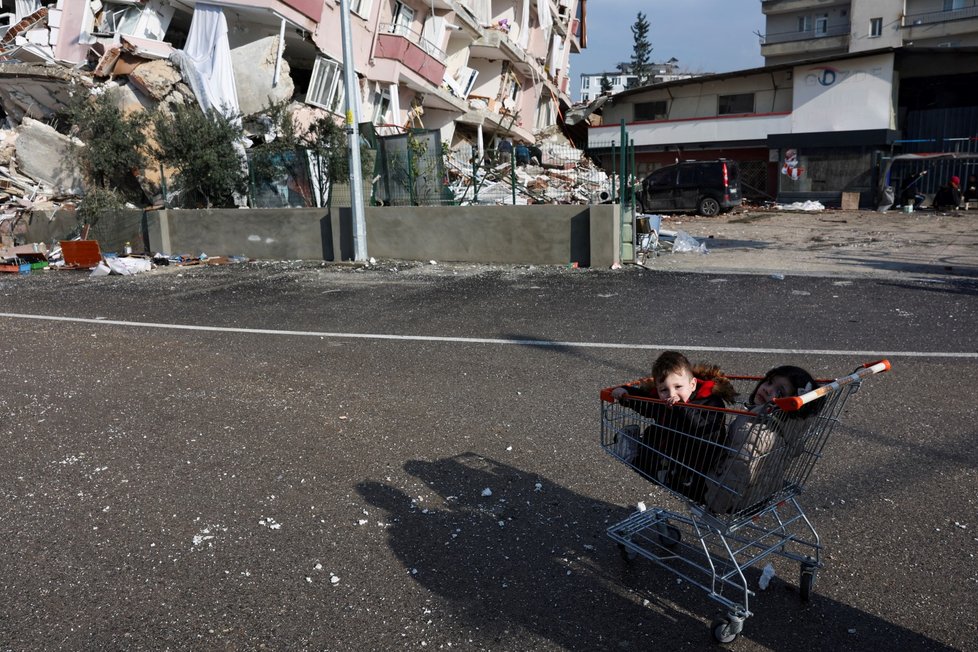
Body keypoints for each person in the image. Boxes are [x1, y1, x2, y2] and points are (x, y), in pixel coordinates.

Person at [611, 351, 735, 500]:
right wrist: (627, 393)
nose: (672, 394)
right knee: (653, 434)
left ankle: (633, 454)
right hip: (671, 458)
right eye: (664, 390)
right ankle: (637, 454)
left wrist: (682, 407)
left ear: (692, 384)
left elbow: (706, 433)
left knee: (687, 485)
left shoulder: (711, 402)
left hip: (698, 462)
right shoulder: (663, 402)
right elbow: (648, 404)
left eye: (678, 387)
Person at [703, 365, 820, 515]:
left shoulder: (754, 431)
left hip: (734, 502)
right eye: (769, 382)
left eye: (779, 392)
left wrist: (714, 506)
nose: (767, 389)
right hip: (760, 497)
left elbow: (737, 474)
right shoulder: (790, 429)